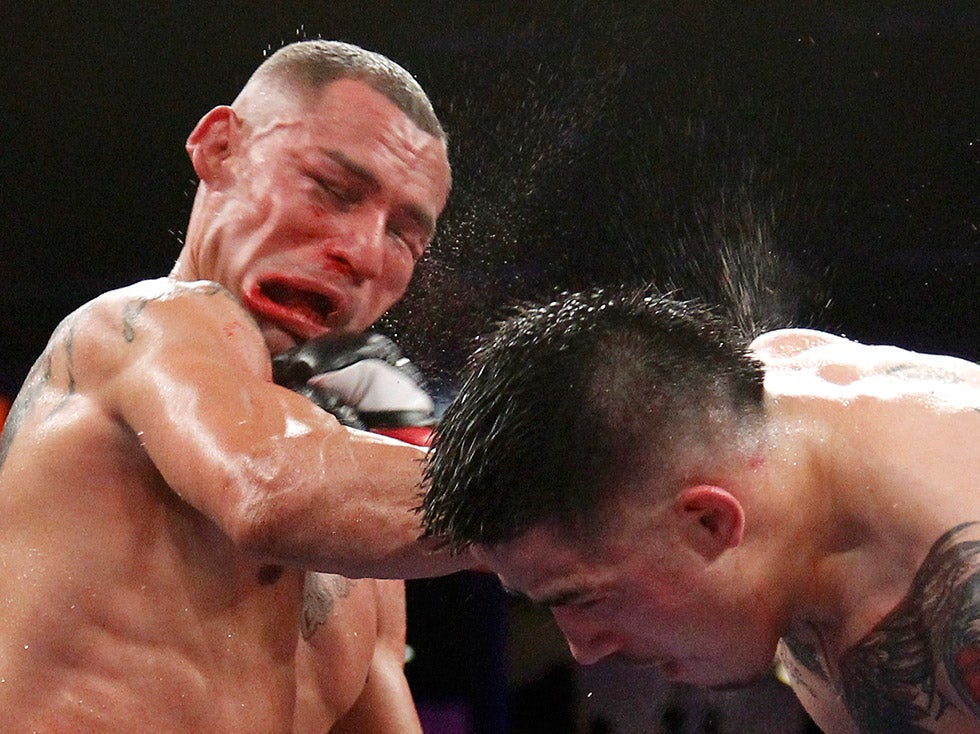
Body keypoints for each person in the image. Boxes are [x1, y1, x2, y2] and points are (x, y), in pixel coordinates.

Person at [0, 40, 465, 732]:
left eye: (403, 235)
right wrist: (566, 501)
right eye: (333, 190)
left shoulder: (362, 530)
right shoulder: (145, 324)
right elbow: (265, 485)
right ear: (220, 149)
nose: (364, 254)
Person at [421, 285, 980, 733]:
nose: (583, 649)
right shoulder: (741, 415)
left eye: (587, 598)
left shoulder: (960, 596)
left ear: (709, 522)